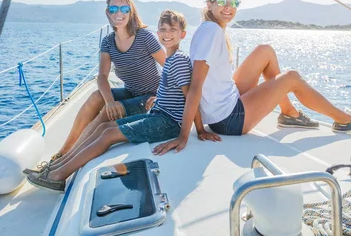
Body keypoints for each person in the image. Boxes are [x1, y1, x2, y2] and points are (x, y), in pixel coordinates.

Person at [153, 0, 351, 155]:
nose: (228, 7)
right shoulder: (211, 32)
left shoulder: (209, 27)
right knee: (292, 78)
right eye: (221, 1)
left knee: (265, 51)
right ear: (209, 5)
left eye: (233, 3)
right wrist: (186, 135)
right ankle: (345, 121)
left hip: (224, 103)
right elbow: (196, 86)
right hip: (228, 120)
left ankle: (289, 113)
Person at [26, 10, 216, 191]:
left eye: (172, 30)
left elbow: (191, 97)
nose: (167, 34)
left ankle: (58, 176)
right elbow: (171, 94)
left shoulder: (179, 61)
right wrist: (157, 101)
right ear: (157, 32)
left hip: (168, 124)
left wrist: (195, 131)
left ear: (183, 35)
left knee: (109, 136)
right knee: (104, 127)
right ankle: (57, 165)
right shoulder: (171, 59)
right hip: (158, 114)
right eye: (163, 30)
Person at [49, 0, 166, 163]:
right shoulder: (108, 42)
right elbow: (102, 76)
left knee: (106, 113)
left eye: (124, 8)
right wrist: (110, 100)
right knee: (98, 96)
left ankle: (69, 159)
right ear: (108, 13)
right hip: (131, 92)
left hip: (150, 97)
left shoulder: (145, 37)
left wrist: (161, 97)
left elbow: (169, 68)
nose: (119, 13)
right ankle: (65, 151)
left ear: (130, 12)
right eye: (114, 8)